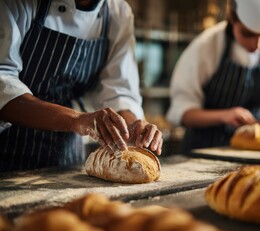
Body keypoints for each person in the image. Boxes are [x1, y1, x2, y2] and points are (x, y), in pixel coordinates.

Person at [0, 0, 163, 172]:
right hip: (8, 148)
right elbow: (3, 84)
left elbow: (119, 90)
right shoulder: (17, 2)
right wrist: (77, 120)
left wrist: (132, 126)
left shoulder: (118, 12)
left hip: (67, 153)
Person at [166, 0, 260, 153]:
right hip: (201, 152)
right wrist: (224, 116)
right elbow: (181, 112)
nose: (256, 45)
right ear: (232, 17)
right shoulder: (207, 46)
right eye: (247, 33)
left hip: (252, 152)